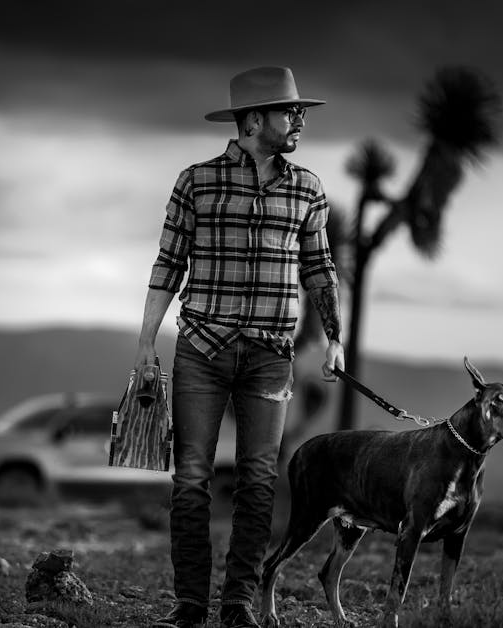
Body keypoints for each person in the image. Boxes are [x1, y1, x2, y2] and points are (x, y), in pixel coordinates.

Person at [136, 66, 345, 628]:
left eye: (300, 111)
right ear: (254, 120)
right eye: (289, 111)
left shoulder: (307, 188)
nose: (299, 120)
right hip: (201, 350)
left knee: (259, 479)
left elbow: (320, 269)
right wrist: (146, 342)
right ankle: (189, 606)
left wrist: (334, 340)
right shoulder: (196, 182)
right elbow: (168, 264)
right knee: (191, 478)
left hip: (270, 357)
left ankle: (239, 605)